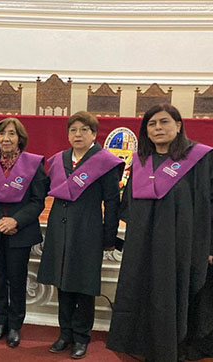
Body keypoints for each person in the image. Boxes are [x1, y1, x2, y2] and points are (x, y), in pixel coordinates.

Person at [106, 104, 213, 362]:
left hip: (184, 248)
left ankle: (177, 350)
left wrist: (211, 248)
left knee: (178, 297)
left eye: (164, 122)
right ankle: (147, 347)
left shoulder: (201, 158)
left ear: (178, 126)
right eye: (151, 124)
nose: (158, 128)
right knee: (144, 294)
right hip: (143, 248)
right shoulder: (141, 163)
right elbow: (129, 207)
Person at [37, 111, 124, 359]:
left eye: (84, 130)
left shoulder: (105, 162)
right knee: (62, 282)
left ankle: (81, 337)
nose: (78, 134)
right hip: (59, 229)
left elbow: (112, 202)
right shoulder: (59, 159)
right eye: (73, 130)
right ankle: (65, 333)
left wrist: (109, 237)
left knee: (84, 285)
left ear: (94, 134)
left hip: (88, 230)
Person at [0, 118, 49, 348]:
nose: (5, 138)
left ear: (20, 139)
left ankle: (16, 325)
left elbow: (38, 201)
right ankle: (1, 322)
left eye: (11, 134)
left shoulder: (33, 164)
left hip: (20, 231)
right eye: (1, 134)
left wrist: (15, 220)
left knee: (17, 280)